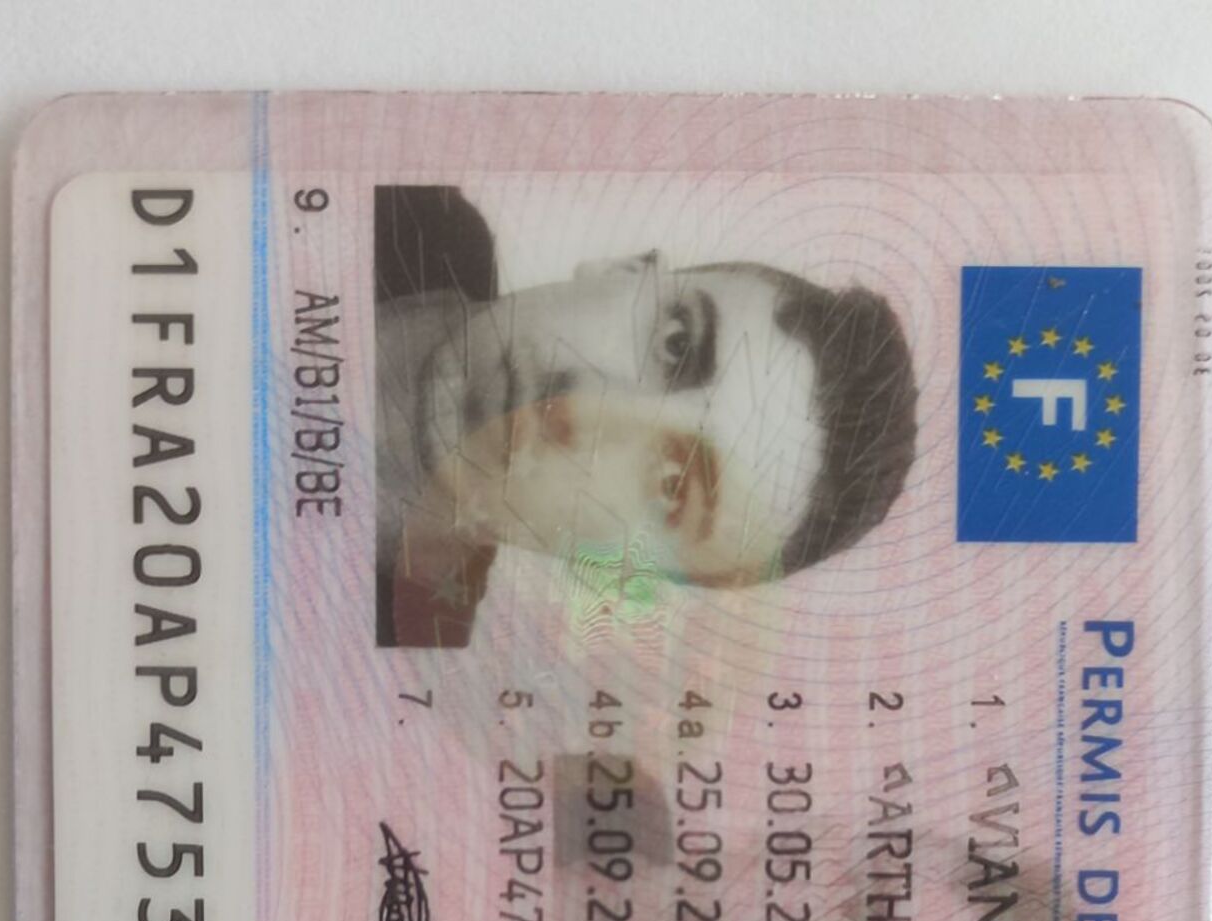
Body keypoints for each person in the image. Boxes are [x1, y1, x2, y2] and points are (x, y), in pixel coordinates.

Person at [374, 185, 919, 647]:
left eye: (669, 488)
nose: (583, 407)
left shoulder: (392, 666)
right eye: (675, 344)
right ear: (623, 269)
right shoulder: (402, 202)